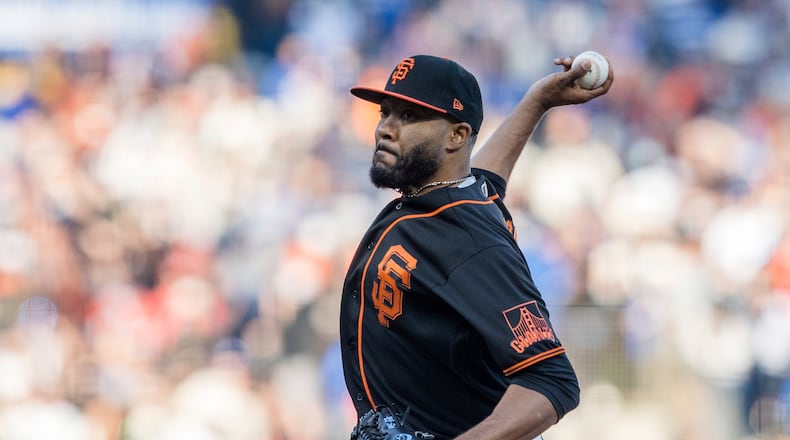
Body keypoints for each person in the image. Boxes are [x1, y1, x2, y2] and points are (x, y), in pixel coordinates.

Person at [341, 54, 613, 440]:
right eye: (386, 112)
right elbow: (482, 177)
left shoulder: (472, 243)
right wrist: (537, 102)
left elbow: (551, 381)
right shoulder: (457, 195)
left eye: (409, 116)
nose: (386, 128)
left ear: (456, 136)